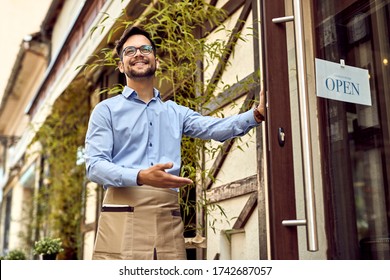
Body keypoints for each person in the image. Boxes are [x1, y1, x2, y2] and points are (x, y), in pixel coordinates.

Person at [84, 26, 265, 260]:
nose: (138, 53)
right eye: (130, 50)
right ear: (121, 65)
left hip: (166, 215)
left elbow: (213, 128)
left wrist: (256, 115)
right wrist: (140, 176)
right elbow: (95, 166)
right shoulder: (105, 110)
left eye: (145, 48)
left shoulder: (175, 112)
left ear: (156, 61)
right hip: (121, 213)